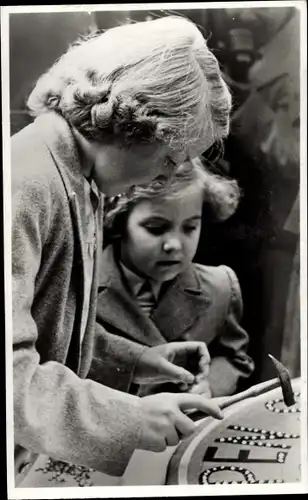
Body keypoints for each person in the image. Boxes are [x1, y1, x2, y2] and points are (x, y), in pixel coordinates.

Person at [12, 16, 230, 482]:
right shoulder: (23, 184)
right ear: (133, 124)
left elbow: (49, 325)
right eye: (170, 159)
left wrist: (136, 359)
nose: (166, 180)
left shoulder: (78, 178)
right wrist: (130, 419)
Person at [93, 158, 254, 398]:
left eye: (190, 228)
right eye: (156, 228)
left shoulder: (220, 287)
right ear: (118, 220)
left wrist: (211, 384)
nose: (175, 245)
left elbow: (233, 359)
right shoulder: (83, 286)